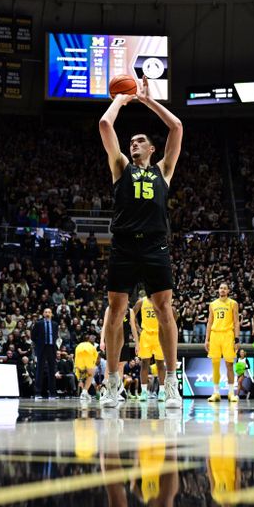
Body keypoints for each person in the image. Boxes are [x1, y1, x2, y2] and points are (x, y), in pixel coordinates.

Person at [98, 75, 184, 409]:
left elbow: (176, 127)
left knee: (164, 308)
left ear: (151, 149)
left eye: (140, 141)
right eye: (131, 141)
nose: (134, 144)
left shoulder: (164, 170)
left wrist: (146, 100)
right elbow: (106, 124)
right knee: (116, 311)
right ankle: (112, 381)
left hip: (154, 245)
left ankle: (171, 382)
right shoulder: (119, 166)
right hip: (123, 245)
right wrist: (123, 98)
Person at [205, 282, 240, 403]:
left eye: (225, 288)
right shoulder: (213, 304)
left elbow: (236, 322)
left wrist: (237, 339)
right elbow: (209, 322)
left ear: (228, 291)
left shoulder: (233, 303)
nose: (222, 290)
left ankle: (231, 393)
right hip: (215, 335)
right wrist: (207, 339)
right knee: (215, 365)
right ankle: (216, 393)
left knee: (229, 365)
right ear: (218, 290)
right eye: (221, 288)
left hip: (228, 335)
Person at [101, 304, 138, 403]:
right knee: (110, 365)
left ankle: (118, 391)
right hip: (111, 339)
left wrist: (137, 344)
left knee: (121, 366)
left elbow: (133, 328)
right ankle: (105, 390)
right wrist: (102, 341)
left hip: (124, 340)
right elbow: (104, 325)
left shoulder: (130, 311)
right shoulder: (109, 309)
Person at [133, 294, 165, 402]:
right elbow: (131, 314)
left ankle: (161, 391)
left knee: (160, 363)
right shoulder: (141, 301)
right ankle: (144, 391)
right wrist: (137, 328)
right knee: (144, 363)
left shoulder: (160, 300)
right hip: (145, 335)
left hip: (158, 335)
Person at [31, 308, 59, 399]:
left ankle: (52, 393)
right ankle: (38, 393)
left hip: (51, 348)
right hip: (42, 348)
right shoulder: (39, 323)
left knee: (52, 370)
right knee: (40, 370)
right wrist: (39, 344)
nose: (47, 314)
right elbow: (33, 336)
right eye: (46, 312)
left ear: (51, 314)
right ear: (43, 314)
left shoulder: (55, 324)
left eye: (49, 312)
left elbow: (55, 336)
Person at [74, 335, 98, 402]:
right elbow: (95, 357)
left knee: (81, 376)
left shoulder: (79, 345)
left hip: (79, 357)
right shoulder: (91, 346)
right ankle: (84, 392)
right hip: (89, 355)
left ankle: (83, 393)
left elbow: (76, 357)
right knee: (90, 375)